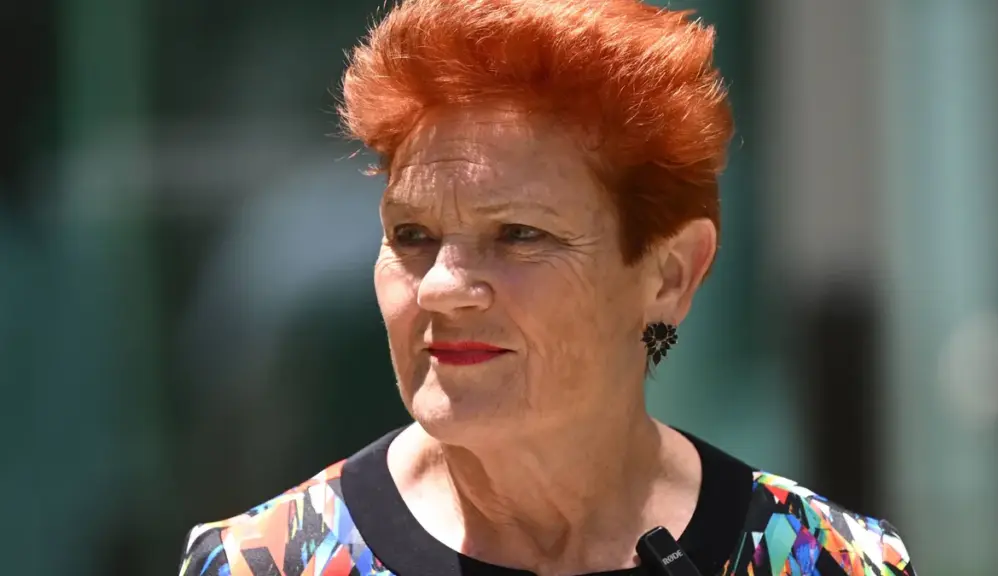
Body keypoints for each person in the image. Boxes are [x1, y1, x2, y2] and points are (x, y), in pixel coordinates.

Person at [177, 1, 916, 575]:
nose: (441, 288)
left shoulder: (824, 560)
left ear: (669, 275)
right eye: (411, 236)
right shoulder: (266, 561)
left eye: (519, 236)